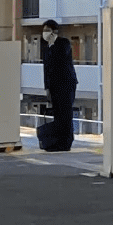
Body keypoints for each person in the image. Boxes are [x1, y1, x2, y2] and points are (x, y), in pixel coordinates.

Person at [36, 21, 78, 152]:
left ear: (54, 31)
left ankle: (66, 142)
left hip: (65, 84)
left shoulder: (63, 43)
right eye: (44, 30)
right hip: (54, 86)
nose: (45, 33)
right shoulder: (47, 47)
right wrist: (47, 88)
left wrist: (53, 45)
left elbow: (60, 59)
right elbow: (46, 69)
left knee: (65, 113)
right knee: (58, 114)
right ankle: (58, 141)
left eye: (48, 29)